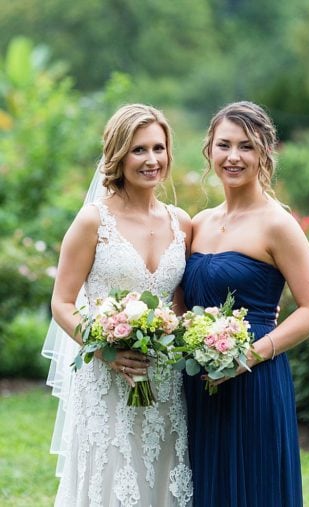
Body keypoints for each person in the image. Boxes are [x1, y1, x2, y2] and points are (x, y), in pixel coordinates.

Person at [44, 104, 194, 505]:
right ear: (118, 154)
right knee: (110, 481)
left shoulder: (182, 222)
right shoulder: (93, 221)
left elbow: (181, 306)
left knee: (165, 478)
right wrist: (104, 349)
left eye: (158, 148)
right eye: (138, 150)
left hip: (165, 381)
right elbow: (62, 301)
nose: (151, 160)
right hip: (107, 378)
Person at [182, 101, 309, 506]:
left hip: (254, 379)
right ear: (209, 149)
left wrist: (247, 355)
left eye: (246, 146)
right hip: (197, 379)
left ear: (265, 151)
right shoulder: (199, 222)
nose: (233, 157)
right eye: (223, 144)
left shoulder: (278, 224)